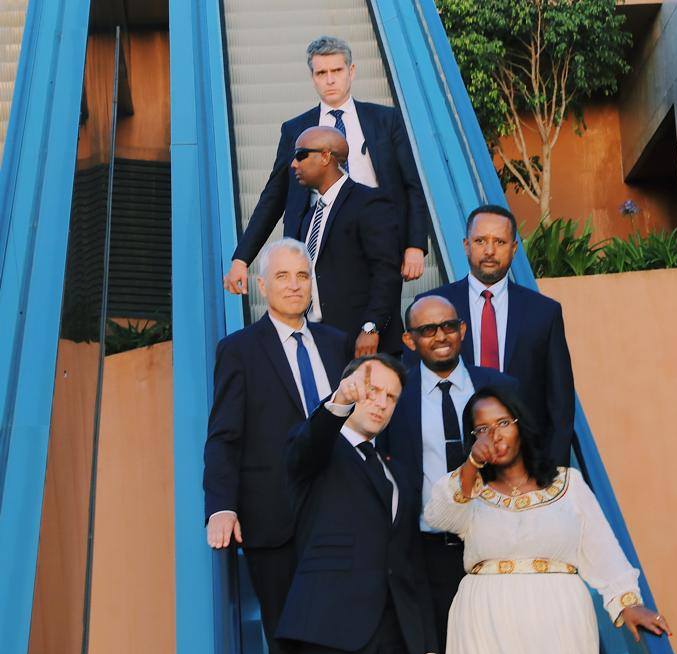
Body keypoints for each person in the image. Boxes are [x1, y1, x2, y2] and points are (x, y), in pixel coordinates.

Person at [424, 385, 671, 654]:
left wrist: (627, 604)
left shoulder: (569, 484)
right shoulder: (470, 494)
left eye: (502, 423)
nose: (494, 436)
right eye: (482, 430)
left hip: (558, 621)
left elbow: (602, 549)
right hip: (484, 625)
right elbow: (436, 516)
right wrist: (471, 466)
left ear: (520, 424)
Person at [203, 238, 351, 654]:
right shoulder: (239, 350)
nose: (294, 285)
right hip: (274, 521)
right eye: (282, 277)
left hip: (340, 514)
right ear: (261, 286)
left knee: (346, 635)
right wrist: (222, 505)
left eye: (302, 276)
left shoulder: (337, 343)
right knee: (288, 643)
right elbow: (225, 435)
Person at [277, 355, 443, 654]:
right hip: (331, 631)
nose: (381, 403)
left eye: (391, 397)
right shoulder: (316, 448)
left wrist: (428, 647)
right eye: (373, 391)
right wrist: (339, 402)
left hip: (400, 641)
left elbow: (411, 563)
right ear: (350, 388)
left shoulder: (396, 471)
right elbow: (309, 445)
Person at [224, 35, 432, 292]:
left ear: (351, 71)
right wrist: (241, 258)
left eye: (337, 70)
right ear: (312, 77)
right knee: (321, 323)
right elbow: (274, 196)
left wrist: (415, 245)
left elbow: (412, 185)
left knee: (380, 319)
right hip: (315, 240)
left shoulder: (385, 120)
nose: (330, 79)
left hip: (376, 236)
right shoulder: (295, 130)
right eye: (321, 73)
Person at [378, 295, 517, 654]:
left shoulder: (500, 387)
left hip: (496, 547)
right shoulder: (395, 396)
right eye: (427, 330)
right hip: (429, 551)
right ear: (409, 340)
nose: (440, 336)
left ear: (463, 330)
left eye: (448, 326)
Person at [413, 204, 575, 467]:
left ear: (513, 248)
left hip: (525, 465)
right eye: (480, 241)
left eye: (499, 241)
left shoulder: (544, 313)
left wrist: (553, 476)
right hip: (451, 463)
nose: (489, 251)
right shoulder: (430, 307)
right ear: (466, 245)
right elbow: (413, 390)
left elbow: (561, 406)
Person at [280, 125, 403, 355]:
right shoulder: (309, 216)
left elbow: (387, 271)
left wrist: (371, 327)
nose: (294, 164)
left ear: (326, 156)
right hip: (319, 342)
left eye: (300, 155)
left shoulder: (369, 203)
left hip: (362, 345)